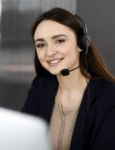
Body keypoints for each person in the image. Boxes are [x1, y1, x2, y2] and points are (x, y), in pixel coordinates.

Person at [21, 7, 115, 150]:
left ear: (81, 44)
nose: (49, 52)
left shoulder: (108, 97)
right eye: (41, 45)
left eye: (59, 41)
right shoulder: (40, 87)